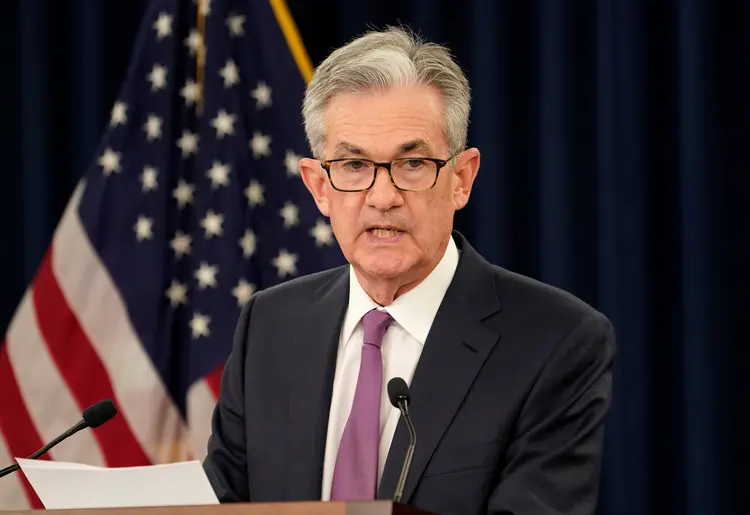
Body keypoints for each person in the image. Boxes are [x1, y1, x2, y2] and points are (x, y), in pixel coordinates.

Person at [202, 26, 616, 515]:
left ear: (461, 179)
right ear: (318, 187)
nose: (382, 197)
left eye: (413, 163)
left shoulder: (556, 341)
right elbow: (222, 502)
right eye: (354, 165)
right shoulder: (270, 324)